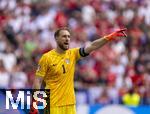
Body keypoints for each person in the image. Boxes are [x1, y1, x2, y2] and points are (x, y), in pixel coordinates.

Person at [30, 27, 127, 114]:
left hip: (69, 104)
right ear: (56, 38)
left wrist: (109, 37)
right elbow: (38, 80)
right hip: (52, 104)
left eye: (68, 36)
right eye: (64, 36)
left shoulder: (72, 54)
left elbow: (92, 46)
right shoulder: (47, 58)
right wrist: (34, 103)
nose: (67, 39)